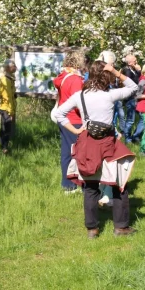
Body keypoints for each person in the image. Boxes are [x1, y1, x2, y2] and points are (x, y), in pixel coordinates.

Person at [50, 61, 140, 238]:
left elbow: (59, 113)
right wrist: (116, 71)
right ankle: (121, 227)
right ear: (106, 75)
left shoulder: (79, 95)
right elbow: (133, 87)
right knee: (119, 184)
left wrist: (76, 130)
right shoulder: (110, 95)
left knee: (90, 186)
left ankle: (92, 228)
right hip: (108, 143)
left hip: (87, 143)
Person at [53, 50, 86, 194]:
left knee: (66, 152)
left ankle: (67, 185)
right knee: (79, 153)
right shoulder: (75, 80)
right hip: (75, 120)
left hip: (64, 118)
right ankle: (78, 184)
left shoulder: (63, 76)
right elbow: (78, 101)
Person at [119, 54, 143, 143]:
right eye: (134, 60)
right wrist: (139, 71)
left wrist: (139, 71)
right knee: (130, 120)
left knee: (143, 118)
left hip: (136, 97)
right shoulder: (126, 70)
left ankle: (136, 135)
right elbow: (133, 82)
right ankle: (127, 138)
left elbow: (140, 80)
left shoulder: (134, 70)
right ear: (129, 62)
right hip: (130, 98)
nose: (136, 62)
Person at [0, 59, 17, 154]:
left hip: (4, 107)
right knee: (7, 127)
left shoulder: (9, 78)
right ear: (8, 68)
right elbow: (7, 97)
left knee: (4, 127)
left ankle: (1, 146)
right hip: (6, 107)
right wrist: (11, 112)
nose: (16, 68)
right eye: (14, 66)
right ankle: (4, 148)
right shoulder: (5, 80)